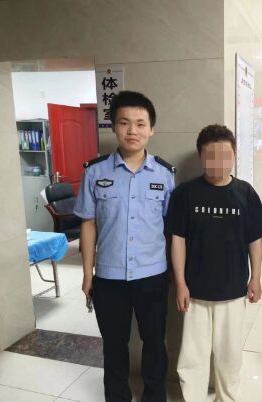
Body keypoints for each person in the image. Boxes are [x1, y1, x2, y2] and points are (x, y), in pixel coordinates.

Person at [74, 90, 175, 402]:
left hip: (152, 274)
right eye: (124, 122)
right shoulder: (95, 172)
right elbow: (88, 223)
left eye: (141, 124)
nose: (133, 130)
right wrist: (87, 273)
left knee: (154, 344)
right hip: (109, 276)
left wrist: (176, 274)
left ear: (151, 130)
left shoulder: (165, 174)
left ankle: (154, 397)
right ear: (113, 126)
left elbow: (172, 229)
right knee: (114, 346)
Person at [165, 124, 262, 402]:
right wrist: (180, 283)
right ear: (201, 157)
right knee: (192, 357)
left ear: (234, 155)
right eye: (210, 155)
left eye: (225, 155)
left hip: (233, 291)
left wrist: (255, 277)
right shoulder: (185, 193)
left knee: (229, 355)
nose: (218, 162)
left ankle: (227, 398)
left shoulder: (245, 193)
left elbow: (255, 239)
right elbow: (177, 240)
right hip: (195, 292)